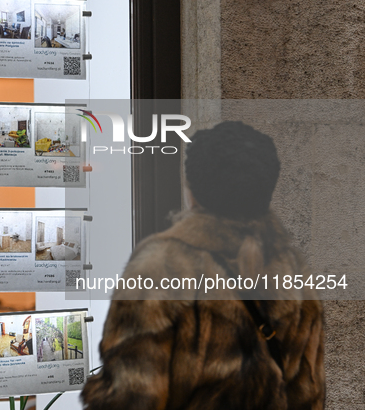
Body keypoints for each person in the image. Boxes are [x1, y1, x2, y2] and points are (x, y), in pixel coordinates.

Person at [81, 121, 325, 410]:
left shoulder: (160, 264)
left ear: (192, 191)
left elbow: (132, 396)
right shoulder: (293, 269)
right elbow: (308, 393)